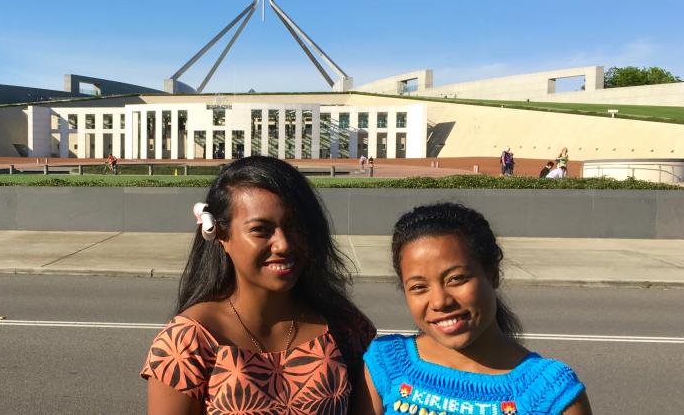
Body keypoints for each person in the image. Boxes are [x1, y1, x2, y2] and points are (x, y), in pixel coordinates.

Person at [141, 156, 376, 414]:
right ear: (221, 235)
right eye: (261, 230)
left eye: (295, 226)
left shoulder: (345, 328)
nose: (284, 244)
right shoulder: (189, 342)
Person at [355, 203, 592, 415]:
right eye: (419, 287)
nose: (439, 302)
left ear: (492, 275)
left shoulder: (551, 392)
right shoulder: (386, 363)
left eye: (456, 279)